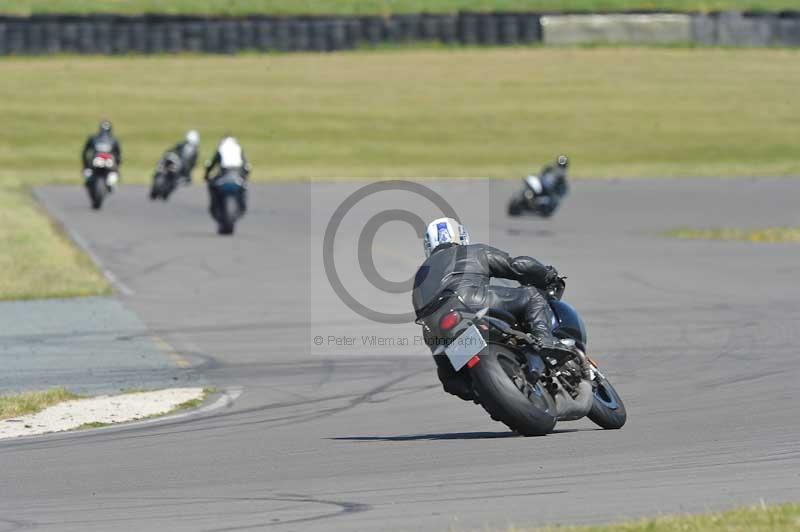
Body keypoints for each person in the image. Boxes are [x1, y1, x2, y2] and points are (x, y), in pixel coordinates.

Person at [412, 217, 570, 399]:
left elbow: (421, 315)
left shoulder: (420, 277)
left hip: (439, 326)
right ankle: (545, 339)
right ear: (461, 236)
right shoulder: (471, 251)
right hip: (473, 302)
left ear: (428, 245)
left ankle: (485, 393)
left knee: (453, 379)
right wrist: (548, 275)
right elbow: (516, 265)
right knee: (532, 295)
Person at [203, 136, 250, 220]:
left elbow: (211, 164)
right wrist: (245, 177)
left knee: (212, 186)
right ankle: (242, 206)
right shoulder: (238, 149)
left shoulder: (221, 149)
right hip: (237, 174)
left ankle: (214, 206)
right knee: (244, 187)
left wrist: (206, 175)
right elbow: (246, 167)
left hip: (225, 174)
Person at [82, 120, 122, 186]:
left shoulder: (93, 138)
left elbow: (85, 152)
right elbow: (118, 155)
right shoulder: (113, 139)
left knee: (113, 173)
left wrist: (85, 164)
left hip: (106, 164)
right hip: (96, 164)